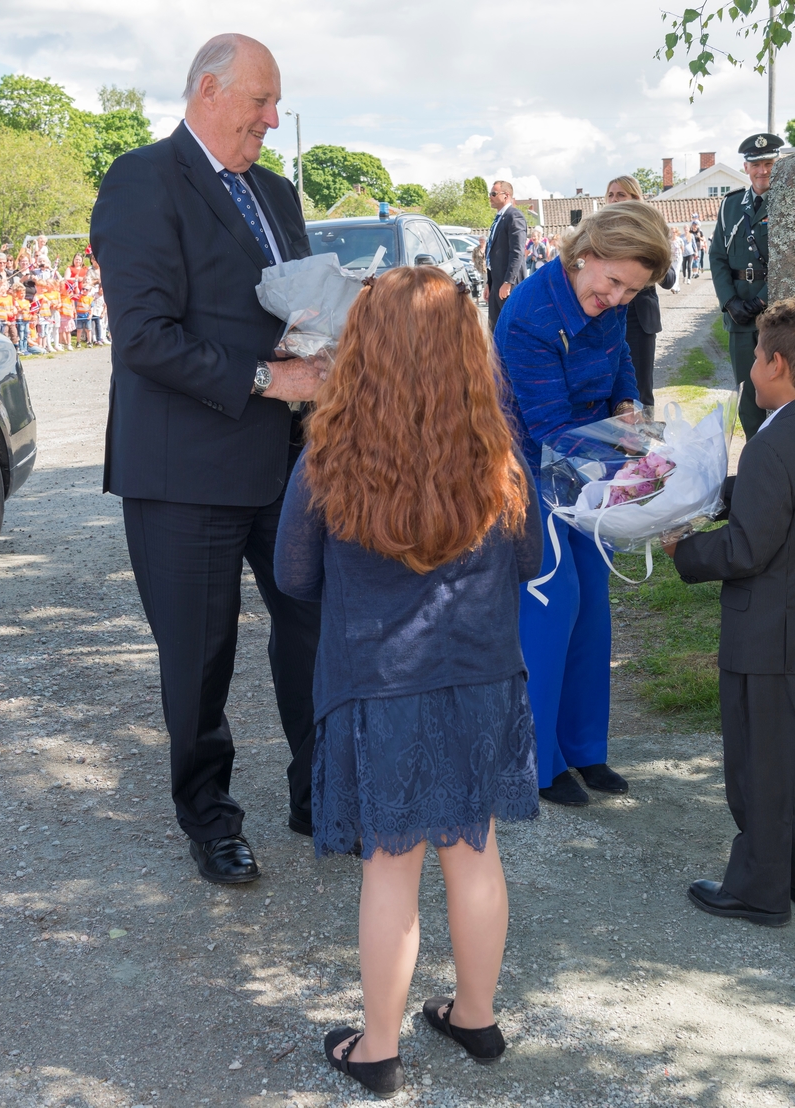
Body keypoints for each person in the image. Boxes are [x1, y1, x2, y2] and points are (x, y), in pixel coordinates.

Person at [275, 265, 541, 1099]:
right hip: (479, 673)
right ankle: (477, 1015)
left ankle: (379, 1049)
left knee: (391, 865)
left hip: (378, 679)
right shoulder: (499, 448)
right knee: (474, 849)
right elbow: (529, 560)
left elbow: (293, 575)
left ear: (362, 345)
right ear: (469, 349)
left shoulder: (331, 448)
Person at [90, 33, 326, 885]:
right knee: (199, 657)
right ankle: (211, 817)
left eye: (274, 103)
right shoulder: (142, 180)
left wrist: (336, 339)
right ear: (208, 91)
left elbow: (293, 303)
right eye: (261, 101)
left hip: (284, 459)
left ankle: (321, 792)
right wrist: (271, 375)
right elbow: (145, 339)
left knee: (315, 624)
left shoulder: (276, 190)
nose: (272, 117)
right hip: (183, 472)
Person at [664, 297, 795, 927]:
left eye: (753, 358)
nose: (746, 369)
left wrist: (684, 548)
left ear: (776, 364)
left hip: (764, 635)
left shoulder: (771, 445)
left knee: (759, 766)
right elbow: (786, 507)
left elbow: (748, 547)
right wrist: (714, 494)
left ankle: (758, 889)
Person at [495, 202, 671, 807]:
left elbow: (621, 359)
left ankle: (584, 749)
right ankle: (537, 763)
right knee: (553, 602)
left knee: (593, 602)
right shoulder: (531, 314)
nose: (617, 298)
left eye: (632, 289)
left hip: (589, 464)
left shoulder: (609, 303)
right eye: (612, 281)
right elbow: (546, 425)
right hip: (527, 469)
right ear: (585, 253)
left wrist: (627, 403)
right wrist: (630, 451)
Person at [711, 132, 782, 439]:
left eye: (768, 163)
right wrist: (730, 303)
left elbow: (790, 258)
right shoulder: (730, 206)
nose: (762, 171)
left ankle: (785, 452)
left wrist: (762, 301)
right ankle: (757, 452)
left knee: (783, 387)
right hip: (740, 314)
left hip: (777, 313)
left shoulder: (788, 204)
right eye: (756, 165)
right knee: (747, 392)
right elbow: (717, 257)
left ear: (777, 165)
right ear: (746, 167)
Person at [605, 176, 677, 416]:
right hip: (606, 315)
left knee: (640, 387)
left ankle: (645, 448)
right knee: (608, 385)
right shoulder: (600, 232)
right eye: (611, 195)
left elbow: (670, 279)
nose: (614, 200)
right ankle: (615, 444)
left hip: (638, 318)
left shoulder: (653, 228)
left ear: (635, 198)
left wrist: (646, 261)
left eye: (621, 195)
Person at [485, 180, 527, 332]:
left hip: (508, 283)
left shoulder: (514, 216)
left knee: (511, 328)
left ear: (506, 195)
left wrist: (508, 282)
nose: (490, 197)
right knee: (495, 329)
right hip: (496, 283)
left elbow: (517, 251)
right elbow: (492, 252)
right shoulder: (499, 218)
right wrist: (489, 284)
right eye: (491, 193)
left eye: (494, 193)